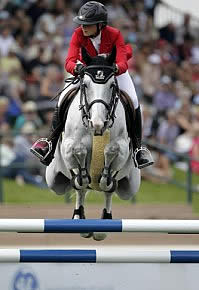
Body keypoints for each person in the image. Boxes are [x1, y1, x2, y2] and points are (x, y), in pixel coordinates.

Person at [31, 1, 154, 169]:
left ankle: (138, 149)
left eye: (87, 24)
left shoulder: (115, 34)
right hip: (86, 71)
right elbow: (69, 61)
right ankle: (50, 144)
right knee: (63, 98)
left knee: (133, 100)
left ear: (100, 24)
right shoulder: (78, 34)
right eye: (82, 23)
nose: (83, 27)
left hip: (113, 72)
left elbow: (123, 63)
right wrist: (77, 68)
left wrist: (115, 68)